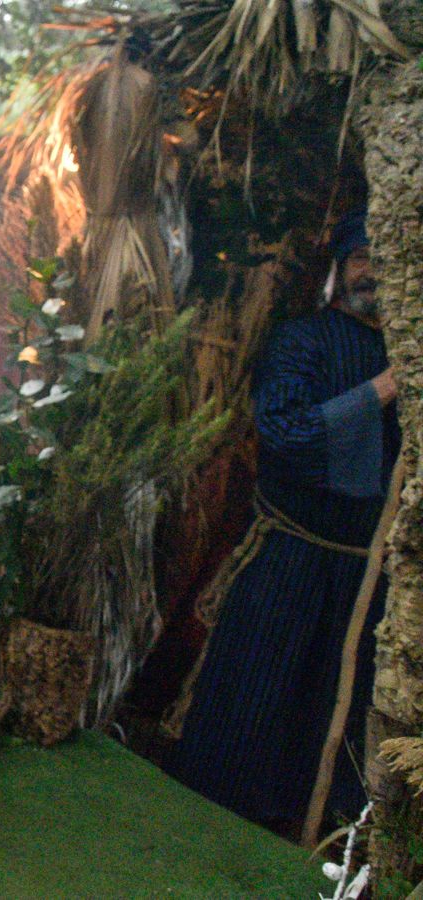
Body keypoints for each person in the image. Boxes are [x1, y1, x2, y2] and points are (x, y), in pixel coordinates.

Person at [169, 209, 398, 833]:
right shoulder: (307, 340)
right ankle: (205, 815)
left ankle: (306, 828)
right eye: (360, 257)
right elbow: (286, 434)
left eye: (387, 258)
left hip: (362, 574)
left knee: (329, 706)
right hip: (291, 556)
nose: (372, 271)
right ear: (341, 266)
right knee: (255, 690)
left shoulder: (406, 353)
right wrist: (381, 389)